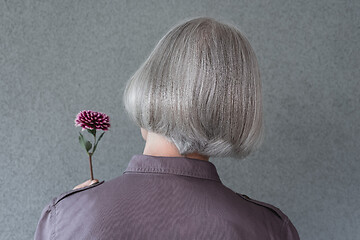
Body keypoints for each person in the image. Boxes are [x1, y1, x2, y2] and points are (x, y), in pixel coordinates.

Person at [34, 17, 300, 239]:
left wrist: (74, 211)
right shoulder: (269, 229)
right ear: (237, 108)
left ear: (150, 87)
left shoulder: (66, 216)